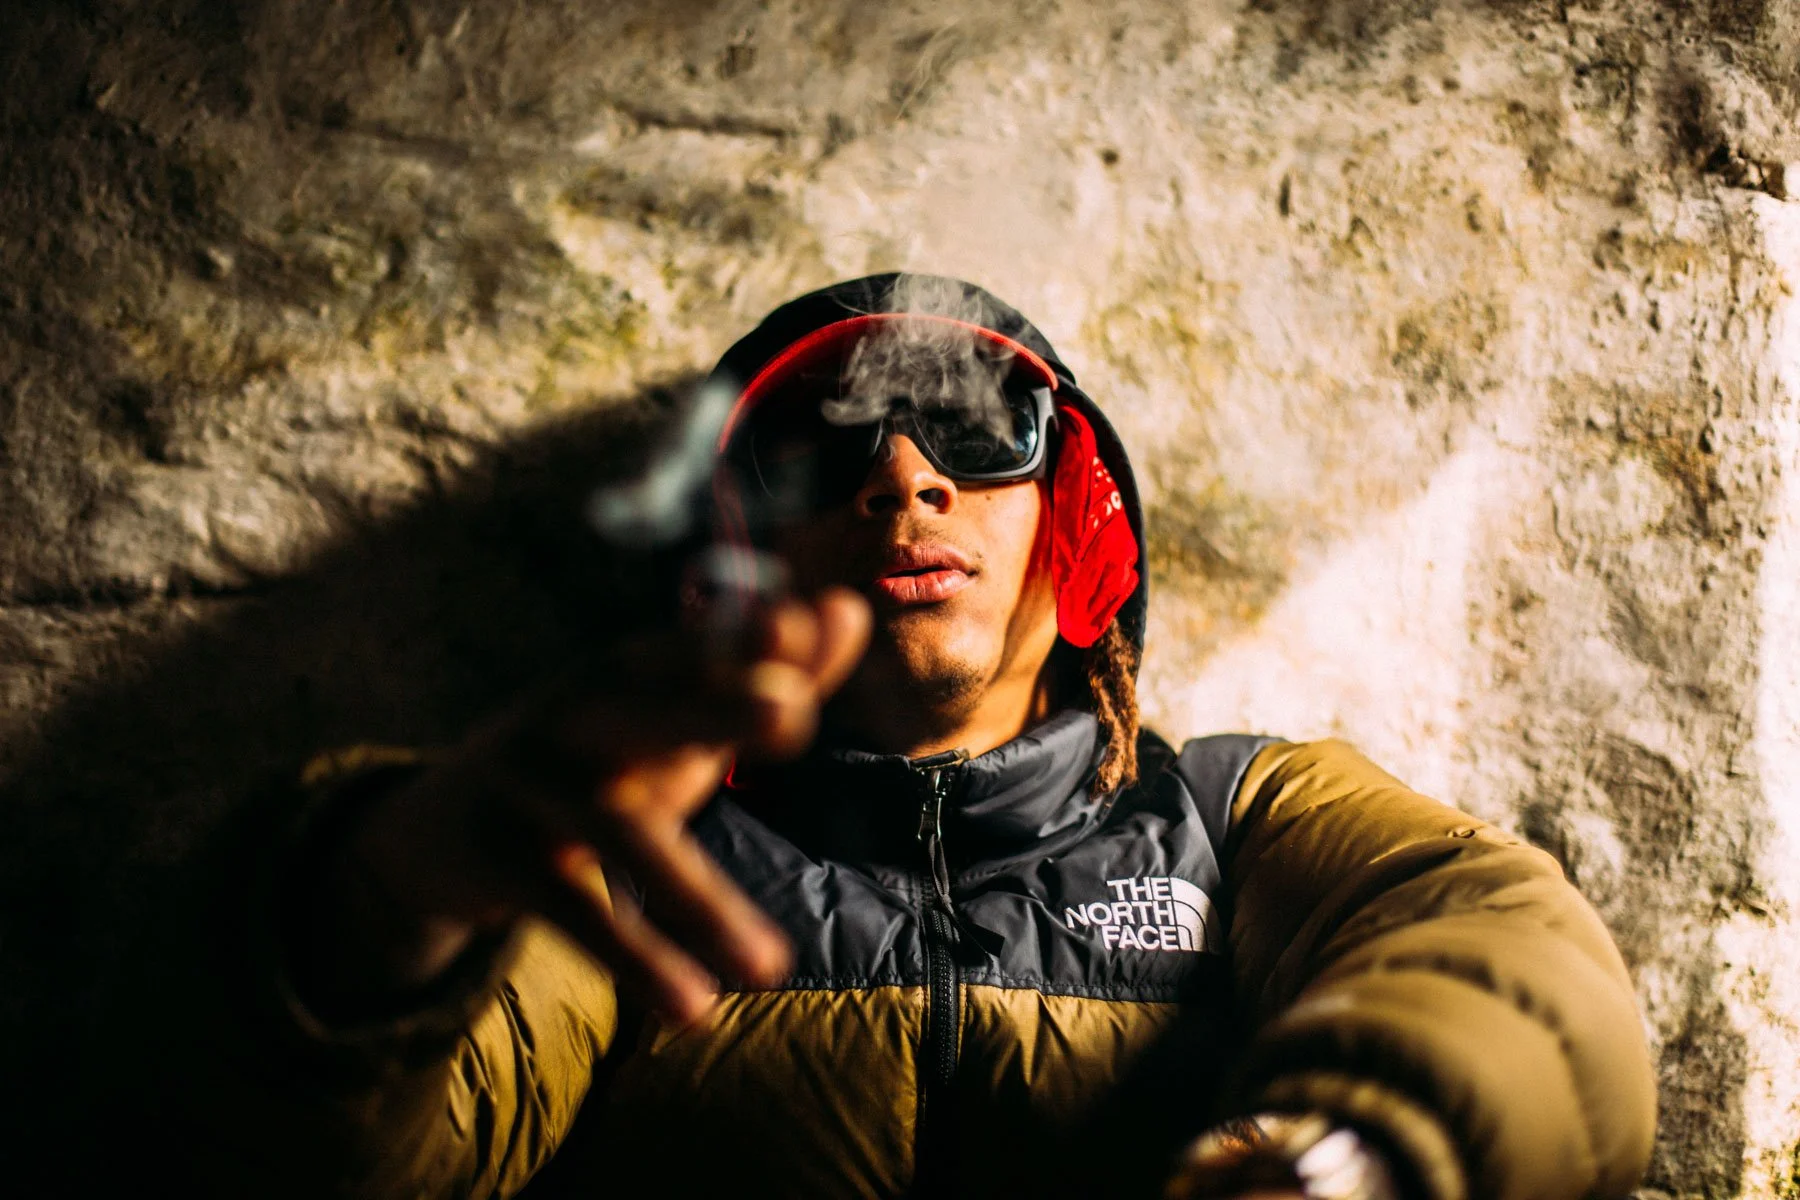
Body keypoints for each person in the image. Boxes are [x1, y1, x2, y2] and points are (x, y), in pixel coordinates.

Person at [173, 275, 1655, 1199]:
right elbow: (341, 1158)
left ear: (1073, 524)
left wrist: (1346, 1163)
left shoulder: (1240, 816)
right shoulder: (636, 861)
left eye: (976, 428)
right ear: (738, 548)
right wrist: (386, 903)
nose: (898, 477)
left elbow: (1516, 960)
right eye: (823, 444)